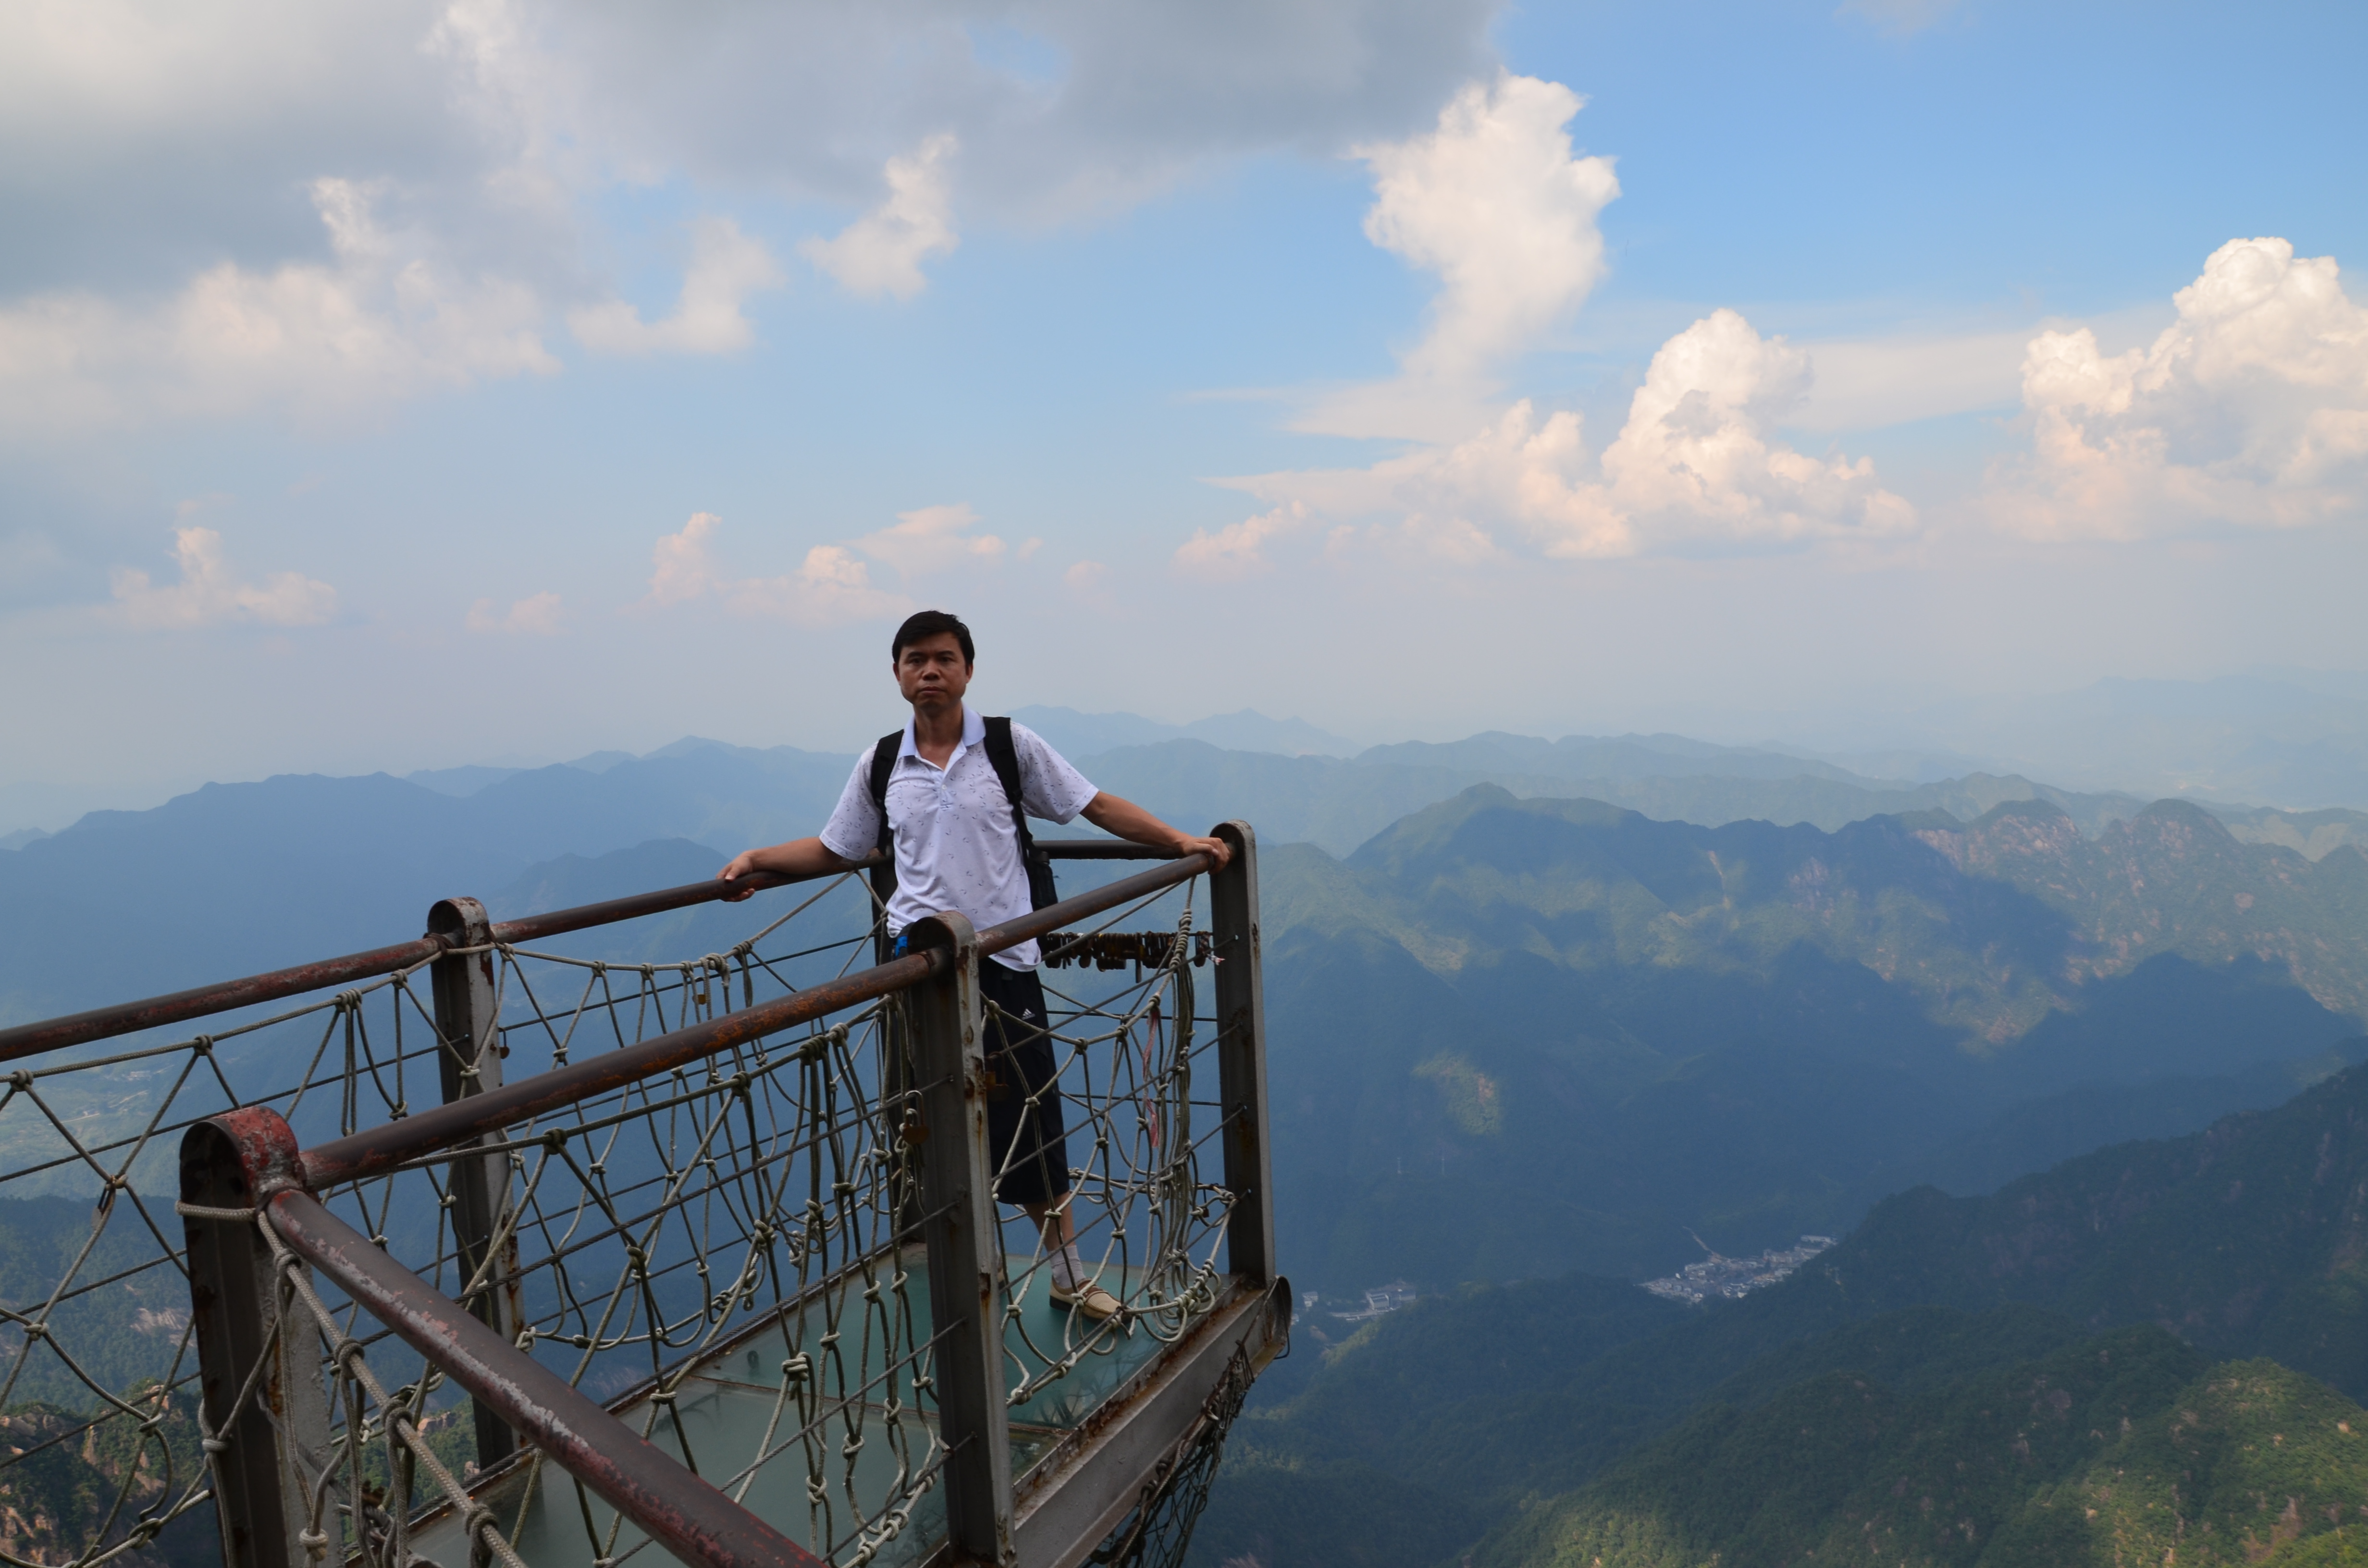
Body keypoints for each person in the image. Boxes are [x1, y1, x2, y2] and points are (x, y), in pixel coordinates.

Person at [719, 610, 1231, 1321]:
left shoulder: (1008, 746)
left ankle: (1069, 1277)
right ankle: (956, 1272)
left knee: (1031, 1123)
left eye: (945, 659)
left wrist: (1178, 841)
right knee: (927, 1122)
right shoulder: (881, 764)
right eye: (915, 660)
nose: (930, 671)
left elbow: (1094, 805)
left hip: (1002, 964)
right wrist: (759, 861)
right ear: (897, 673)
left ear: (967, 670)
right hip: (916, 969)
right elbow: (837, 849)